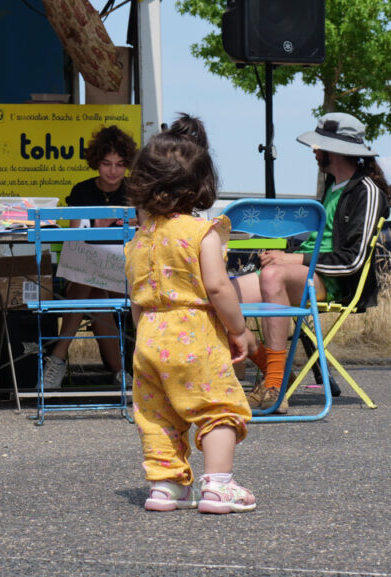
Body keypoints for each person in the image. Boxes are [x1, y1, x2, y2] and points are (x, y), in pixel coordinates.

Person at [124, 114, 256, 514]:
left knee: (158, 415)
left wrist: (144, 334)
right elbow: (217, 287)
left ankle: (166, 487)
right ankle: (217, 486)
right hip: (194, 332)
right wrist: (239, 329)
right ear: (200, 186)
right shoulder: (203, 232)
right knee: (218, 407)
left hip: (149, 335)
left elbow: (135, 298)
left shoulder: (139, 240)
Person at [233, 112, 390, 413]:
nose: (314, 151)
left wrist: (292, 258)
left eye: (318, 146)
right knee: (220, 294)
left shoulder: (368, 192)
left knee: (273, 276)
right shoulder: (331, 187)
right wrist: (284, 254)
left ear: (335, 150)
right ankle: (273, 370)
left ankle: (275, 386)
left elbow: (353, 261)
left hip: (334, 281)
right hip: (302, 273)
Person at [42, 125, 138, 390]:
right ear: (96, 162)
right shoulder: (82, 191)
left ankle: (57, 359)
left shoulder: (137, 192)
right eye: (106, 163)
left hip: (126, 278)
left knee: (90, 284)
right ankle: (121, 373)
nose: (113, 170)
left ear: (127, 165)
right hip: (87, 273)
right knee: (92, 286)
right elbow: (75, 239)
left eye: (120, 164)